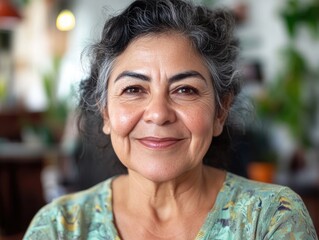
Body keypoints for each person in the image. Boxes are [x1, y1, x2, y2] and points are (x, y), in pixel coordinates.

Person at [24, 0, 318, 239]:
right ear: (105, 113)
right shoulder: (59, 227)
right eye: (134, 89)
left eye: (185, 89)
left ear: (220, 112)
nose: (158, 113)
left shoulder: (270, 219)